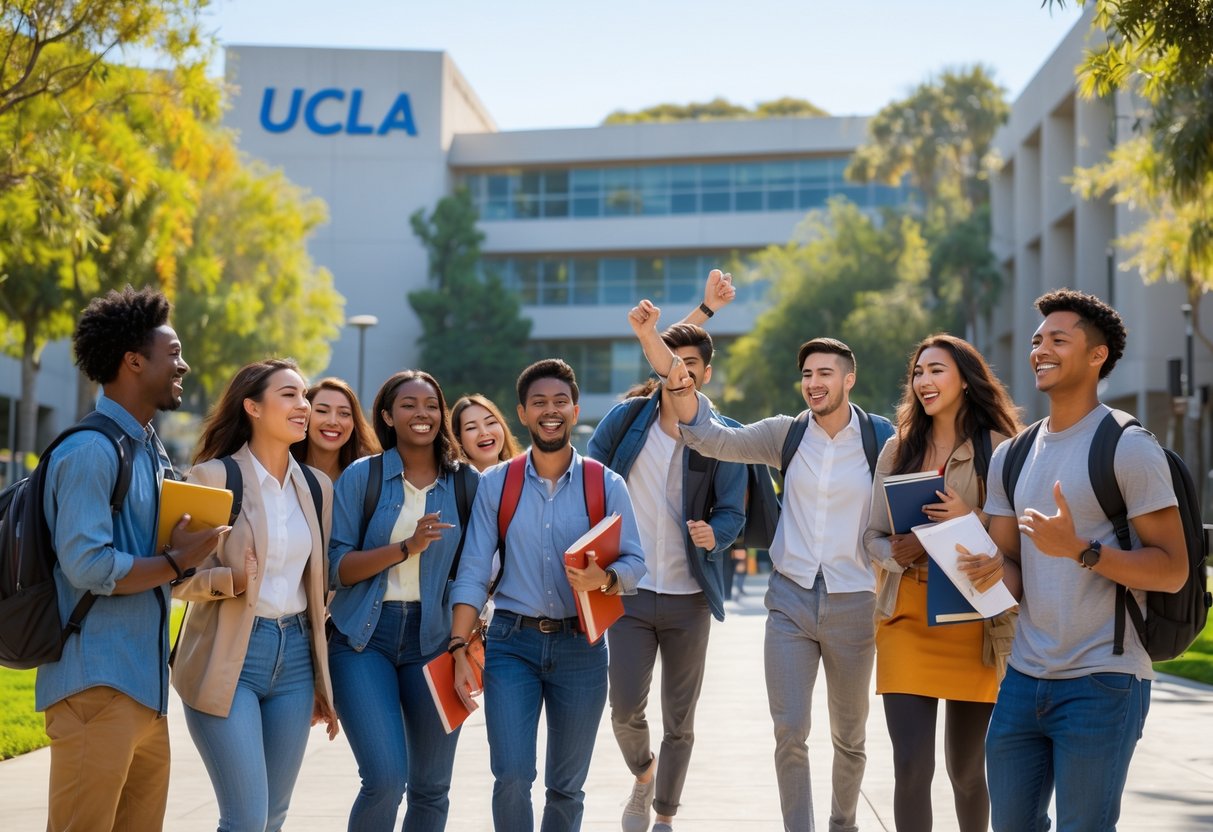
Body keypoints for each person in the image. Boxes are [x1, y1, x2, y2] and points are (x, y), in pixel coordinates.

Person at [631, 301, 892, 832]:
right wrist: (670, 366)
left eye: (825, 373)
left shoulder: (882, 441)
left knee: (850, 736)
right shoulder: (784, 434)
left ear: (850, 379)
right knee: (789, 732)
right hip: (791, 602)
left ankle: (844, 823)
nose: (814, 383)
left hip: (855, 601)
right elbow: (709, 436)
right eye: (807, 375)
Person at [973, 289, 1186, 832]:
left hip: (1103, 679)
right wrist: (989, 571)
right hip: (1023, 676)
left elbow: (1173, 567)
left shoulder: (1129, 447)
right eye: (1037, 340)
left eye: (1058, 340)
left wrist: (1083, 552)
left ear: (1097, 356)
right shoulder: (1011, 454)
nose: (1040, 349)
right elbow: (1013, 570)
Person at [37, 286, 227, 832]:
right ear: (133, 361)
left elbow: (159, 555)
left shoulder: (148, 450)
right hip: (95, 685)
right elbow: (90, 566)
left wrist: (190, 555)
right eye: (174, 354)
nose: (183, 364)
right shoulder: (89, 451)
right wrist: (173, 561)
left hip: (145, 692)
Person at [448, 359, 647, 832]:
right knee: (512, 776)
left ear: (575, 411)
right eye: (539, 402)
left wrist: (605, 579)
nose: (550, 410)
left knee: (566, 787)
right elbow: (474, 569)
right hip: (511, 644)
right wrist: (458, 645)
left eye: (560, 402)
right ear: (522, 413)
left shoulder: (606, 483)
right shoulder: (497, 484)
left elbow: (636, 564)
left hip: (582, 647)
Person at [588, 322, 746, 832]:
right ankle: (643, 774)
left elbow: (734, 512)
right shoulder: (626, 421)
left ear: (706, 373)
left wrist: (714, 534)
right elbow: (589, 479)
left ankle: (664, 816)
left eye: (690, 365)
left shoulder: (723, 435)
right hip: (628, 592)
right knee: (623, 710)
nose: (680, 372)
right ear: (657, 365)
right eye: (670, 362)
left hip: (689, 599)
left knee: (680, 721)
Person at [171, 358, 339, 832]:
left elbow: (318, 586)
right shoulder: (212, 478)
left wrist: (322, 683)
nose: (303, 406)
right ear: (252, 407)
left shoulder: (316, 486)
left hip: (295, 662)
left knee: (273, 815)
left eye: (304, 395)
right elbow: (177, 578)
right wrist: (232, 581)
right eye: (289, 395)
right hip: (230, 657)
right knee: (245, 818)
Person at [863, 334, 1021, 832]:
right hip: (905, 618)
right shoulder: (898, 448)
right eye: (918, 372)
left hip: (973, 622)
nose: (924, 381)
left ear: (966, 380)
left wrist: (965, 516)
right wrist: (895, 550)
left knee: (967, 772)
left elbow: (1013, 545)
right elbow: (869, 536)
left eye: (937, 370)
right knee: (911, 766)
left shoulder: (1000, 448)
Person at [327, 370, 478, 831]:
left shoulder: (466, 484)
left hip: (434, 642)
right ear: (388, 416)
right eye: (409, 405)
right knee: (386, 778)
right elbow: (338, 567)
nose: (422, 414)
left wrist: (461, 645)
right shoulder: (363, 476)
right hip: (362, 640)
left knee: (431, 788)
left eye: (431, 404)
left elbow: (477, 569)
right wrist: (405, 549)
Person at [290, 376, 380, 483]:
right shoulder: (284, 474)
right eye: (322, 411)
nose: (332, 422)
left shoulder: (370, 479)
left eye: (344, 413)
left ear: (354, 423)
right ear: (305, 415)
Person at [451, 393, 522, 472]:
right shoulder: (447, 482)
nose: (484, 432)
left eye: (491, 423)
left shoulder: (525, 477)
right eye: (471, 427)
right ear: (457, 438)